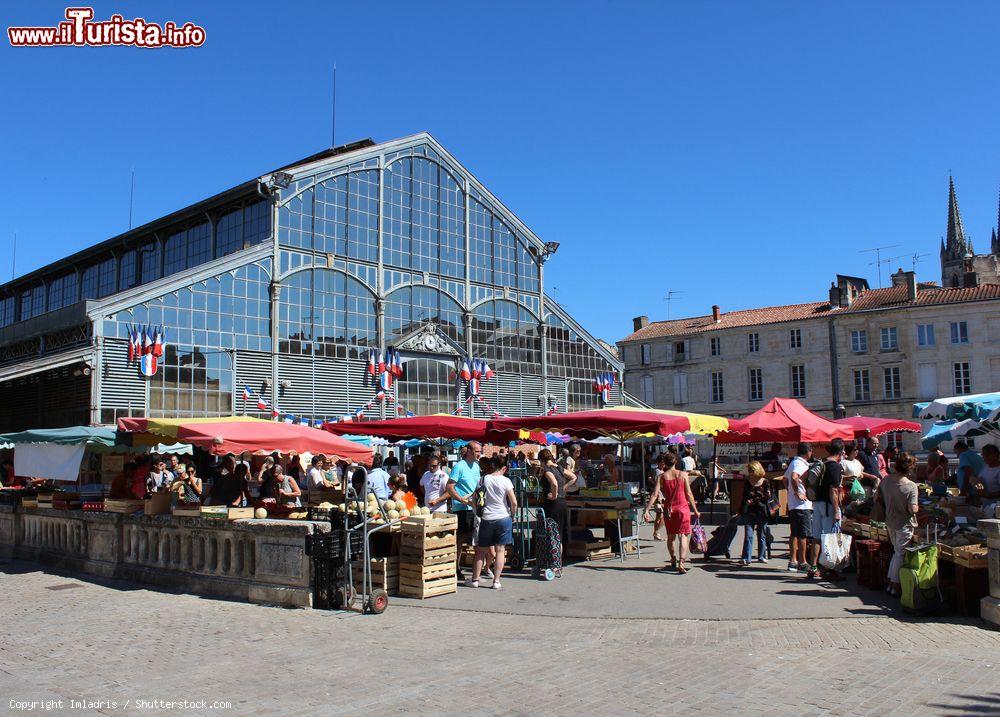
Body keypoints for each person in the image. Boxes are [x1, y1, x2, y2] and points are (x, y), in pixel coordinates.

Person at [466, 454, 517, 590]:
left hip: (487, 518)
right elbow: (514, 502)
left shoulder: (483, 479)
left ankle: (475, 580)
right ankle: (496, 581)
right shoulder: (506, 481)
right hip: (503, 517)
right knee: (500, 550)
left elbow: (474, 499)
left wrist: (478, 513)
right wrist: (512, 515)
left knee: (480, 551)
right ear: (504, 468)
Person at [643, 452, 700, 573]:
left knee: (671, 537)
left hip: (669, 510)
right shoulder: (683, 474)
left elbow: (654, 494)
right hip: (683, 509)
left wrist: (646, 509)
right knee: (683, 535)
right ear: (676, 462)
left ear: (665, 463)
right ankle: (681, 562)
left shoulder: (661, 477)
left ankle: (673, 558)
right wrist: (695, 510)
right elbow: (689, 494)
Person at [873, 452, 919, 598]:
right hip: (904, 523)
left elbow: (876, 497)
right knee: (900, 554)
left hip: (889, 521)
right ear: (910, 468)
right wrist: (917, 508)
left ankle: (891, 584)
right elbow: (913, 509)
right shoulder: (911, 486)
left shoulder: (886, 480)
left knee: (896, 552)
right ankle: (895, 585)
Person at [808, 438, 845, 579]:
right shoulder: (835, 466)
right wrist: (836, 510)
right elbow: (833, 490)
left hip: (817, 503)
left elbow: (805, 477)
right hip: (828, 506)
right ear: (841, 452)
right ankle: (830, 569)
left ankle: (813, 567)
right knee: (831, 538)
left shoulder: (821, 463)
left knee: (816, 537)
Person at [446, 442, 483, 580]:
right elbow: (449, 487)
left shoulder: (476, 466)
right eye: (477, 451)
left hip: (474, 508)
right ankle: (455, 569)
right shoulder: (459, 466)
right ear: (468, 451)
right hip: (462, 509)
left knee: (475, 539)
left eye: (480, 451)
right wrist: (461, 500)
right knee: (460, 540)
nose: (479, 453)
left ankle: (477, 569)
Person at [784, 442, 813, 574]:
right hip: (801, 505)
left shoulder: (793, 462)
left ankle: (793, 561)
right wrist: (797, 493)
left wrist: (790, 491)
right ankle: (802, 561)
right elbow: (793, 477)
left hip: (794, 504)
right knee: (802, 534)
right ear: (807, 451)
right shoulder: (799, 463)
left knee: (795, 533)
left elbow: (785, 479)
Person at [739, 460, 772, 565]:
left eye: (751, 470)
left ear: (757, 470)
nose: (750, 472)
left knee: (761, 535)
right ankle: (746, 558)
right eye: (749, 470)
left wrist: (754, 500)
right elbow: (744, 497)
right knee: (748, 535)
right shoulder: (747, 482)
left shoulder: (765, 482)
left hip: (762, 512)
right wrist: (741, 509)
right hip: (749, 512)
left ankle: (761, 556)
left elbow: (767, 497)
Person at [539, 449, 570, 553]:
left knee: (553, 534)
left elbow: (554, 483)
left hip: (553, 505)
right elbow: (574, 477)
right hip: (562, 502)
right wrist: (564, 488)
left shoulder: (547, 470)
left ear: (542, 460)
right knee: (559, 536)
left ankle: (554, 564)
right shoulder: (559, 468)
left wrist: (554, 495)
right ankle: (557, 563)